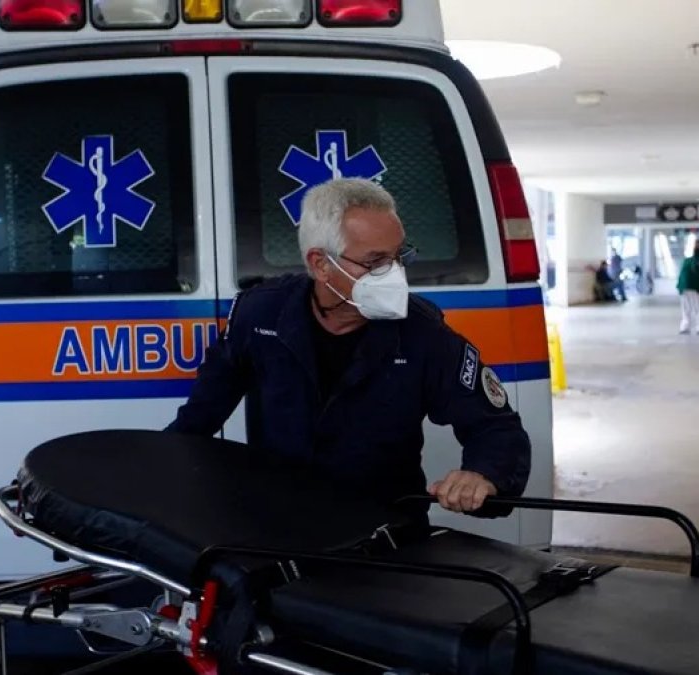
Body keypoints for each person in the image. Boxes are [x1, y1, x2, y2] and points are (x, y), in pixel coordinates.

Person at [166, 178, 532, 516]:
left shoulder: (422, 333)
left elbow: (495, 427)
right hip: (277, 530)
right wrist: (152, 481)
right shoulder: (260, 315)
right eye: (375, 261)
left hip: (384, 535)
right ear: (321, 264)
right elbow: (199, 418)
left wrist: (484, 474)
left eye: (399, 256)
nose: (394, 273)